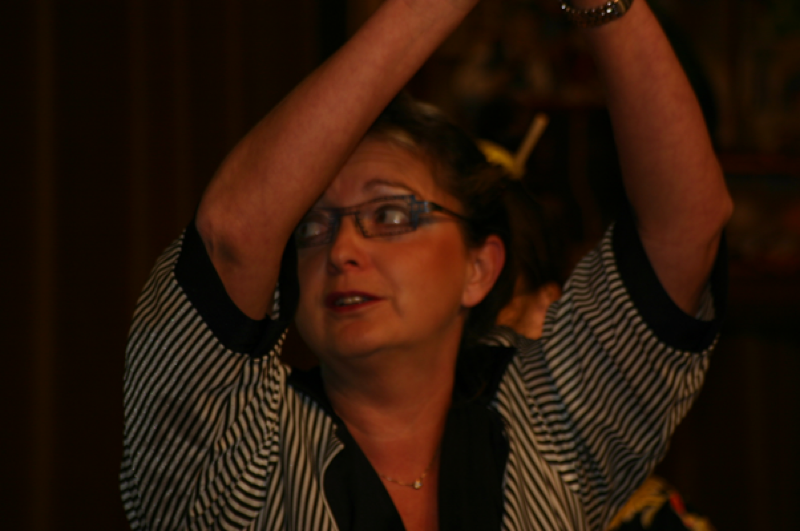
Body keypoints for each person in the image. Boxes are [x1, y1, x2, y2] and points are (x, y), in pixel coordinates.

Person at [120, 0, 733, 529]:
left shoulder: (549, 425)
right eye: (312, 226)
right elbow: (231, 237)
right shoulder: (239, 451)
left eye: (390, 215)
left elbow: (686, 230)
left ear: (479, 268)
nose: (342, 250)